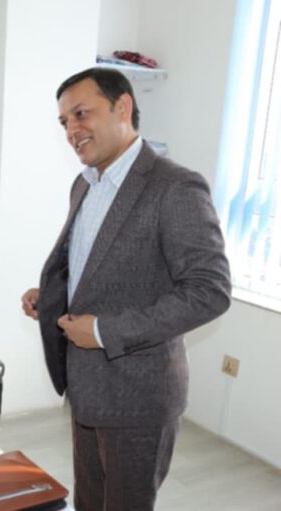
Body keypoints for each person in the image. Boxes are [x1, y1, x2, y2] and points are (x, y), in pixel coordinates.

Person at [21, 68, 231, 511]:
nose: (72, 130)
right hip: (85, 386)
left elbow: (209, 290)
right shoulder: (85, 183)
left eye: (81, 114)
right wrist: (52, 296)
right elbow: (94, 267)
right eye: (64, 122)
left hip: (138, 395)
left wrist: (103, 331)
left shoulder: (175, 186)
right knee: (89, 502)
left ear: (123, 107)